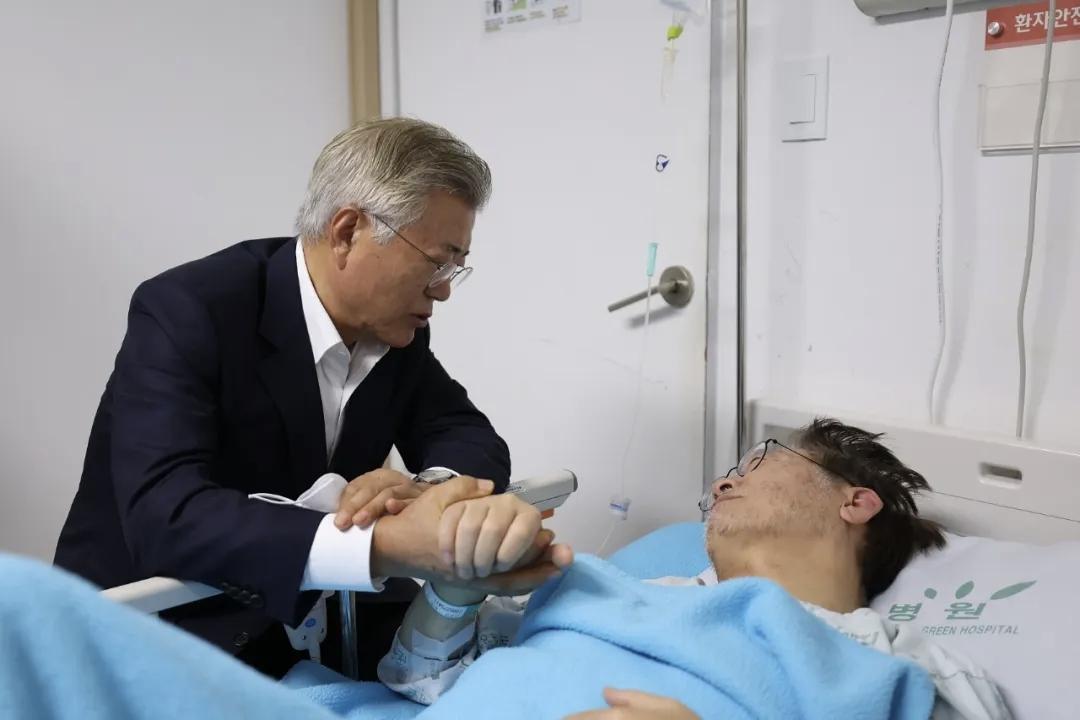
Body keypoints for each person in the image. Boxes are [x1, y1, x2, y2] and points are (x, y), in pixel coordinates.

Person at [53, 117, 533, 677]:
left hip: (315, 615)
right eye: (436, 262)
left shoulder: (395, 331)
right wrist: (385, 544)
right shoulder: (189, 310)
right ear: (348, 231)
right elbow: (166, 515)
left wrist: (428, 491)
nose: (444, 290)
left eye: (454, 268)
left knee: (511, 666)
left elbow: (467, 435)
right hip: (161, 623)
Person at [375, 419, 1011, 720]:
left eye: (760, 460)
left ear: (856, 501)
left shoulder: (896, 666)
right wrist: (453, 592)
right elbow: (421, 681)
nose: (722, 482)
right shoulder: (618, 592)